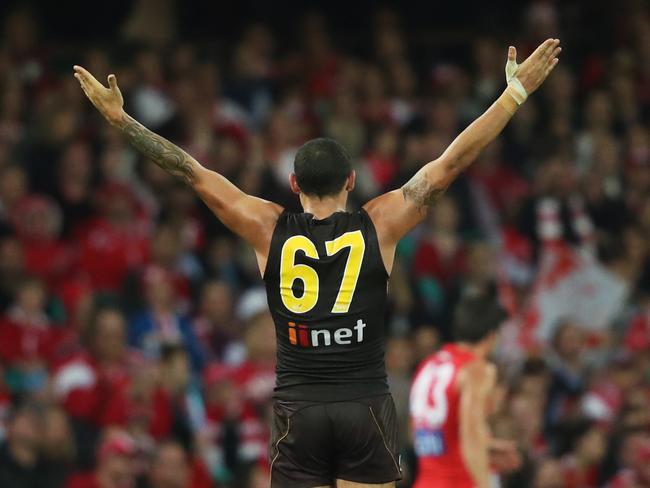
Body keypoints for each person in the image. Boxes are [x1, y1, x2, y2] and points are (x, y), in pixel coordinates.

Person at [73, 37, 561, 488]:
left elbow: (190, 172)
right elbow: (451, 162)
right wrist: (514, 93)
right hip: (364, 403)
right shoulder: (380, 224)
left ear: (292, 184)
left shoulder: (266, 227)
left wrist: (122, 121)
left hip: (298, 407)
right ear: (351, 180)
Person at [409, 295, 521, 488]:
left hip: (426, 481)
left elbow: (416, 431)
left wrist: (489, 446)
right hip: (459, 481)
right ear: (492, 336)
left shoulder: (429, 365)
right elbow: (472, 432)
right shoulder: (477, 370)